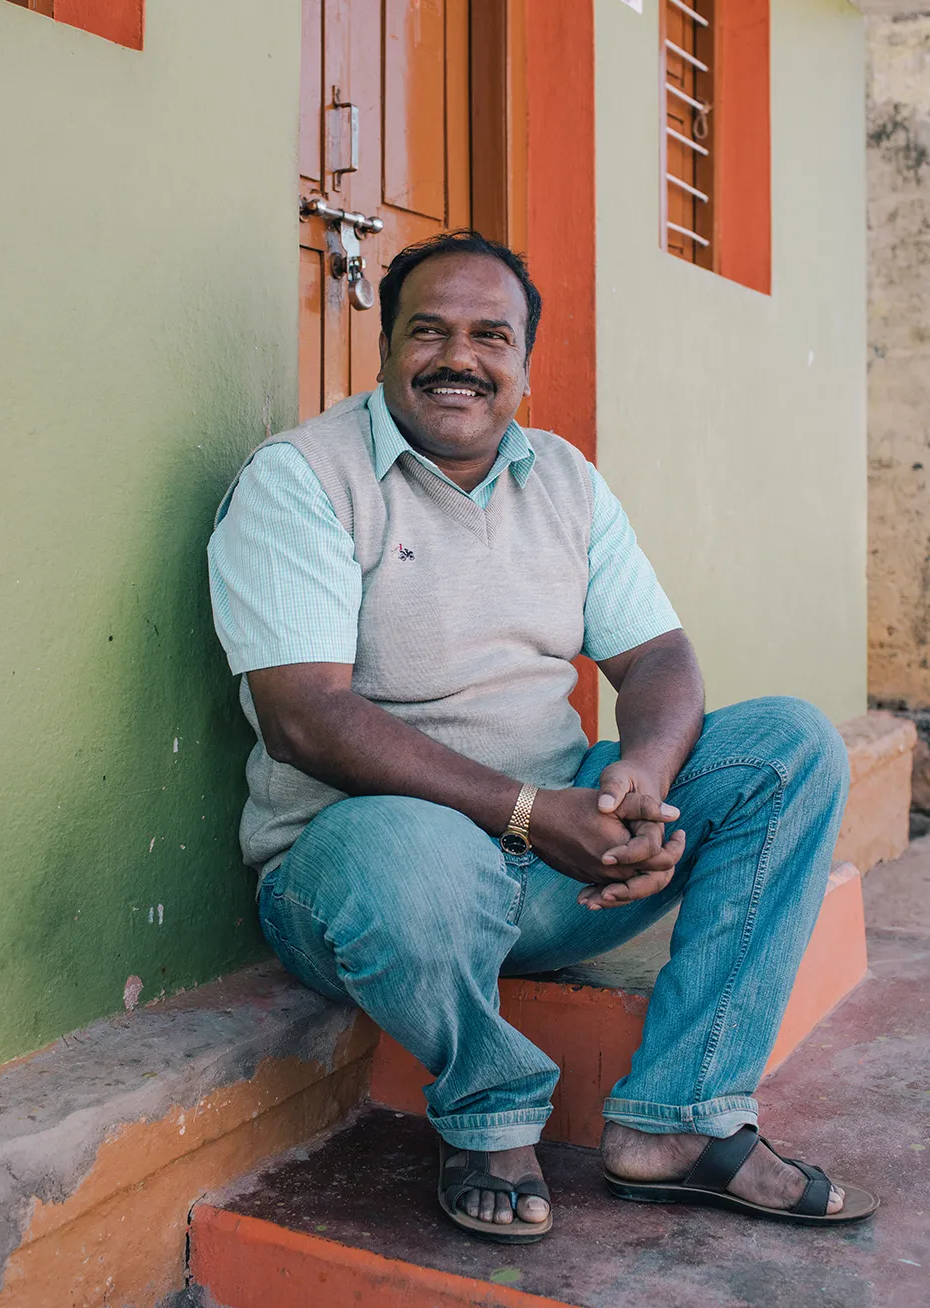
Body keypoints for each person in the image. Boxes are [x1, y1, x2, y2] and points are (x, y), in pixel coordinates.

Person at [207, 230, 877, 1243]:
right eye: (426, 330)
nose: (457, 357)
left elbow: (656, 659)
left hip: (559, 860)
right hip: (373, 882)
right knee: (407, 849)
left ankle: (682, 1122)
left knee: (785, 746)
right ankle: (489, 1109)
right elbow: (306, 718)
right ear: (383, 346)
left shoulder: (560, 478)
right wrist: (530, 815)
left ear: (523, 360)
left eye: (489, 335)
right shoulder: (301, 479)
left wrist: (639, 787)